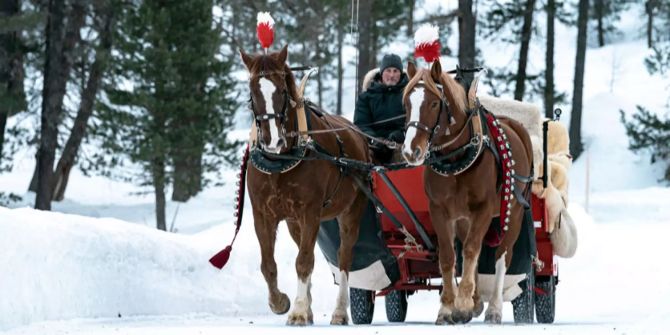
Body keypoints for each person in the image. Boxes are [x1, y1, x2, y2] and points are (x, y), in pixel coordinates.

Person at [354, 53, 409, 163]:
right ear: (381, 73)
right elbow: (361, 124)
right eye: (388, 70)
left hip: (401, 145)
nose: (392, 75)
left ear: (401, 73)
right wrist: (374, 140)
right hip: (372, 147)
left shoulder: (409, 95)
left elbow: (415, 121)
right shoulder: (366, 97)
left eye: (395, 71)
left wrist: (399, 136)